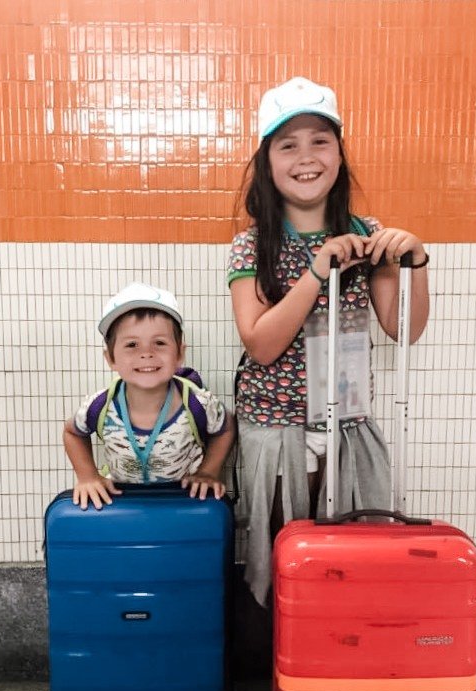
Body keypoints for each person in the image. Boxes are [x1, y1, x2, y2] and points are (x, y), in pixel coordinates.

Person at [228, 77, 430, 606]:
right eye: (287, 145)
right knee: (284, 568)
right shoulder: (252, 245)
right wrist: (319, 269)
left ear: (339, 153)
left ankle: (339, 668)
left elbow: (401, 329)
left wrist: (414, 262)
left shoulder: (369, 234)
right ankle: (283, 674)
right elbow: (261, 345)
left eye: (320, 140)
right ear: (267, 161)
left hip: (348, 426)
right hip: (276, 434)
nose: (305, 158)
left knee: (348, 567)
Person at [63, 282, 235, 510]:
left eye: (160, 343)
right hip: (124, 507)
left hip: (184, 507)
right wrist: (88, 477)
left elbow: (226, 427)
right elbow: (72, 432)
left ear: (180, 353)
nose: (146, 353)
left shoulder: (197, 403)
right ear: (111, 358)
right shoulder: (101, 405)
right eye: (132, 344)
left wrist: (208, 472)